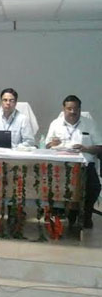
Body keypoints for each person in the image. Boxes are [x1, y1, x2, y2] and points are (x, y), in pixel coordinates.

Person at [45, 95, 101, 228]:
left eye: (76, 109)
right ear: (63, 109)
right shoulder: (55, 124)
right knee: (51, 184)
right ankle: (61, 212)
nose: (73, 111)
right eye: (69, 108)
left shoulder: (90, 123)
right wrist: (52, 143)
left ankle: (86, 213)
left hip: (84, 164)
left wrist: (86, 148)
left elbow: (100, 147)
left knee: (94, 187)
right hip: (61, 165)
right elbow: (46, 145)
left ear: (80, 109)